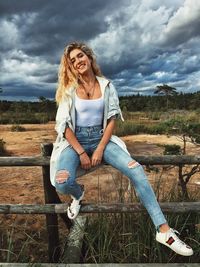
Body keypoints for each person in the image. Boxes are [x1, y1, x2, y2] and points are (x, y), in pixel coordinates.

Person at [50, 41, 193, 257]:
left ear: (88, 57)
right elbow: (63, 126)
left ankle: (164, 231)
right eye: (72, 60)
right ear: (70, 66)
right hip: (74, 141)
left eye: (80, 56)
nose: (77, 61)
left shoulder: (107, 85)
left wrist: (98, 150)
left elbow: (111, 120)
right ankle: (78, 195)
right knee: (61, 182)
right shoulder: (69, 90)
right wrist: (81, 152)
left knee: (136, 170)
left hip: (102, 139)